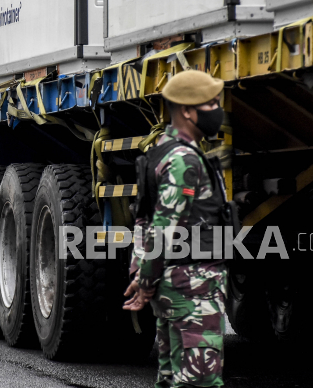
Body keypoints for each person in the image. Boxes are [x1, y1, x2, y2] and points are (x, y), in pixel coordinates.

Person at [124, 70, 228, 388]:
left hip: (176, 284)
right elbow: (161, 228)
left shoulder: (159, 152)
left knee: (170, 378)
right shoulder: (184, 160)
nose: (217, 110)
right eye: (210, 104)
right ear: (186, 111)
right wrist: (145, 282)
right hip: (193, 287)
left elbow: (142, 220)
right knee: (199, 381)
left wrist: (142, 274)